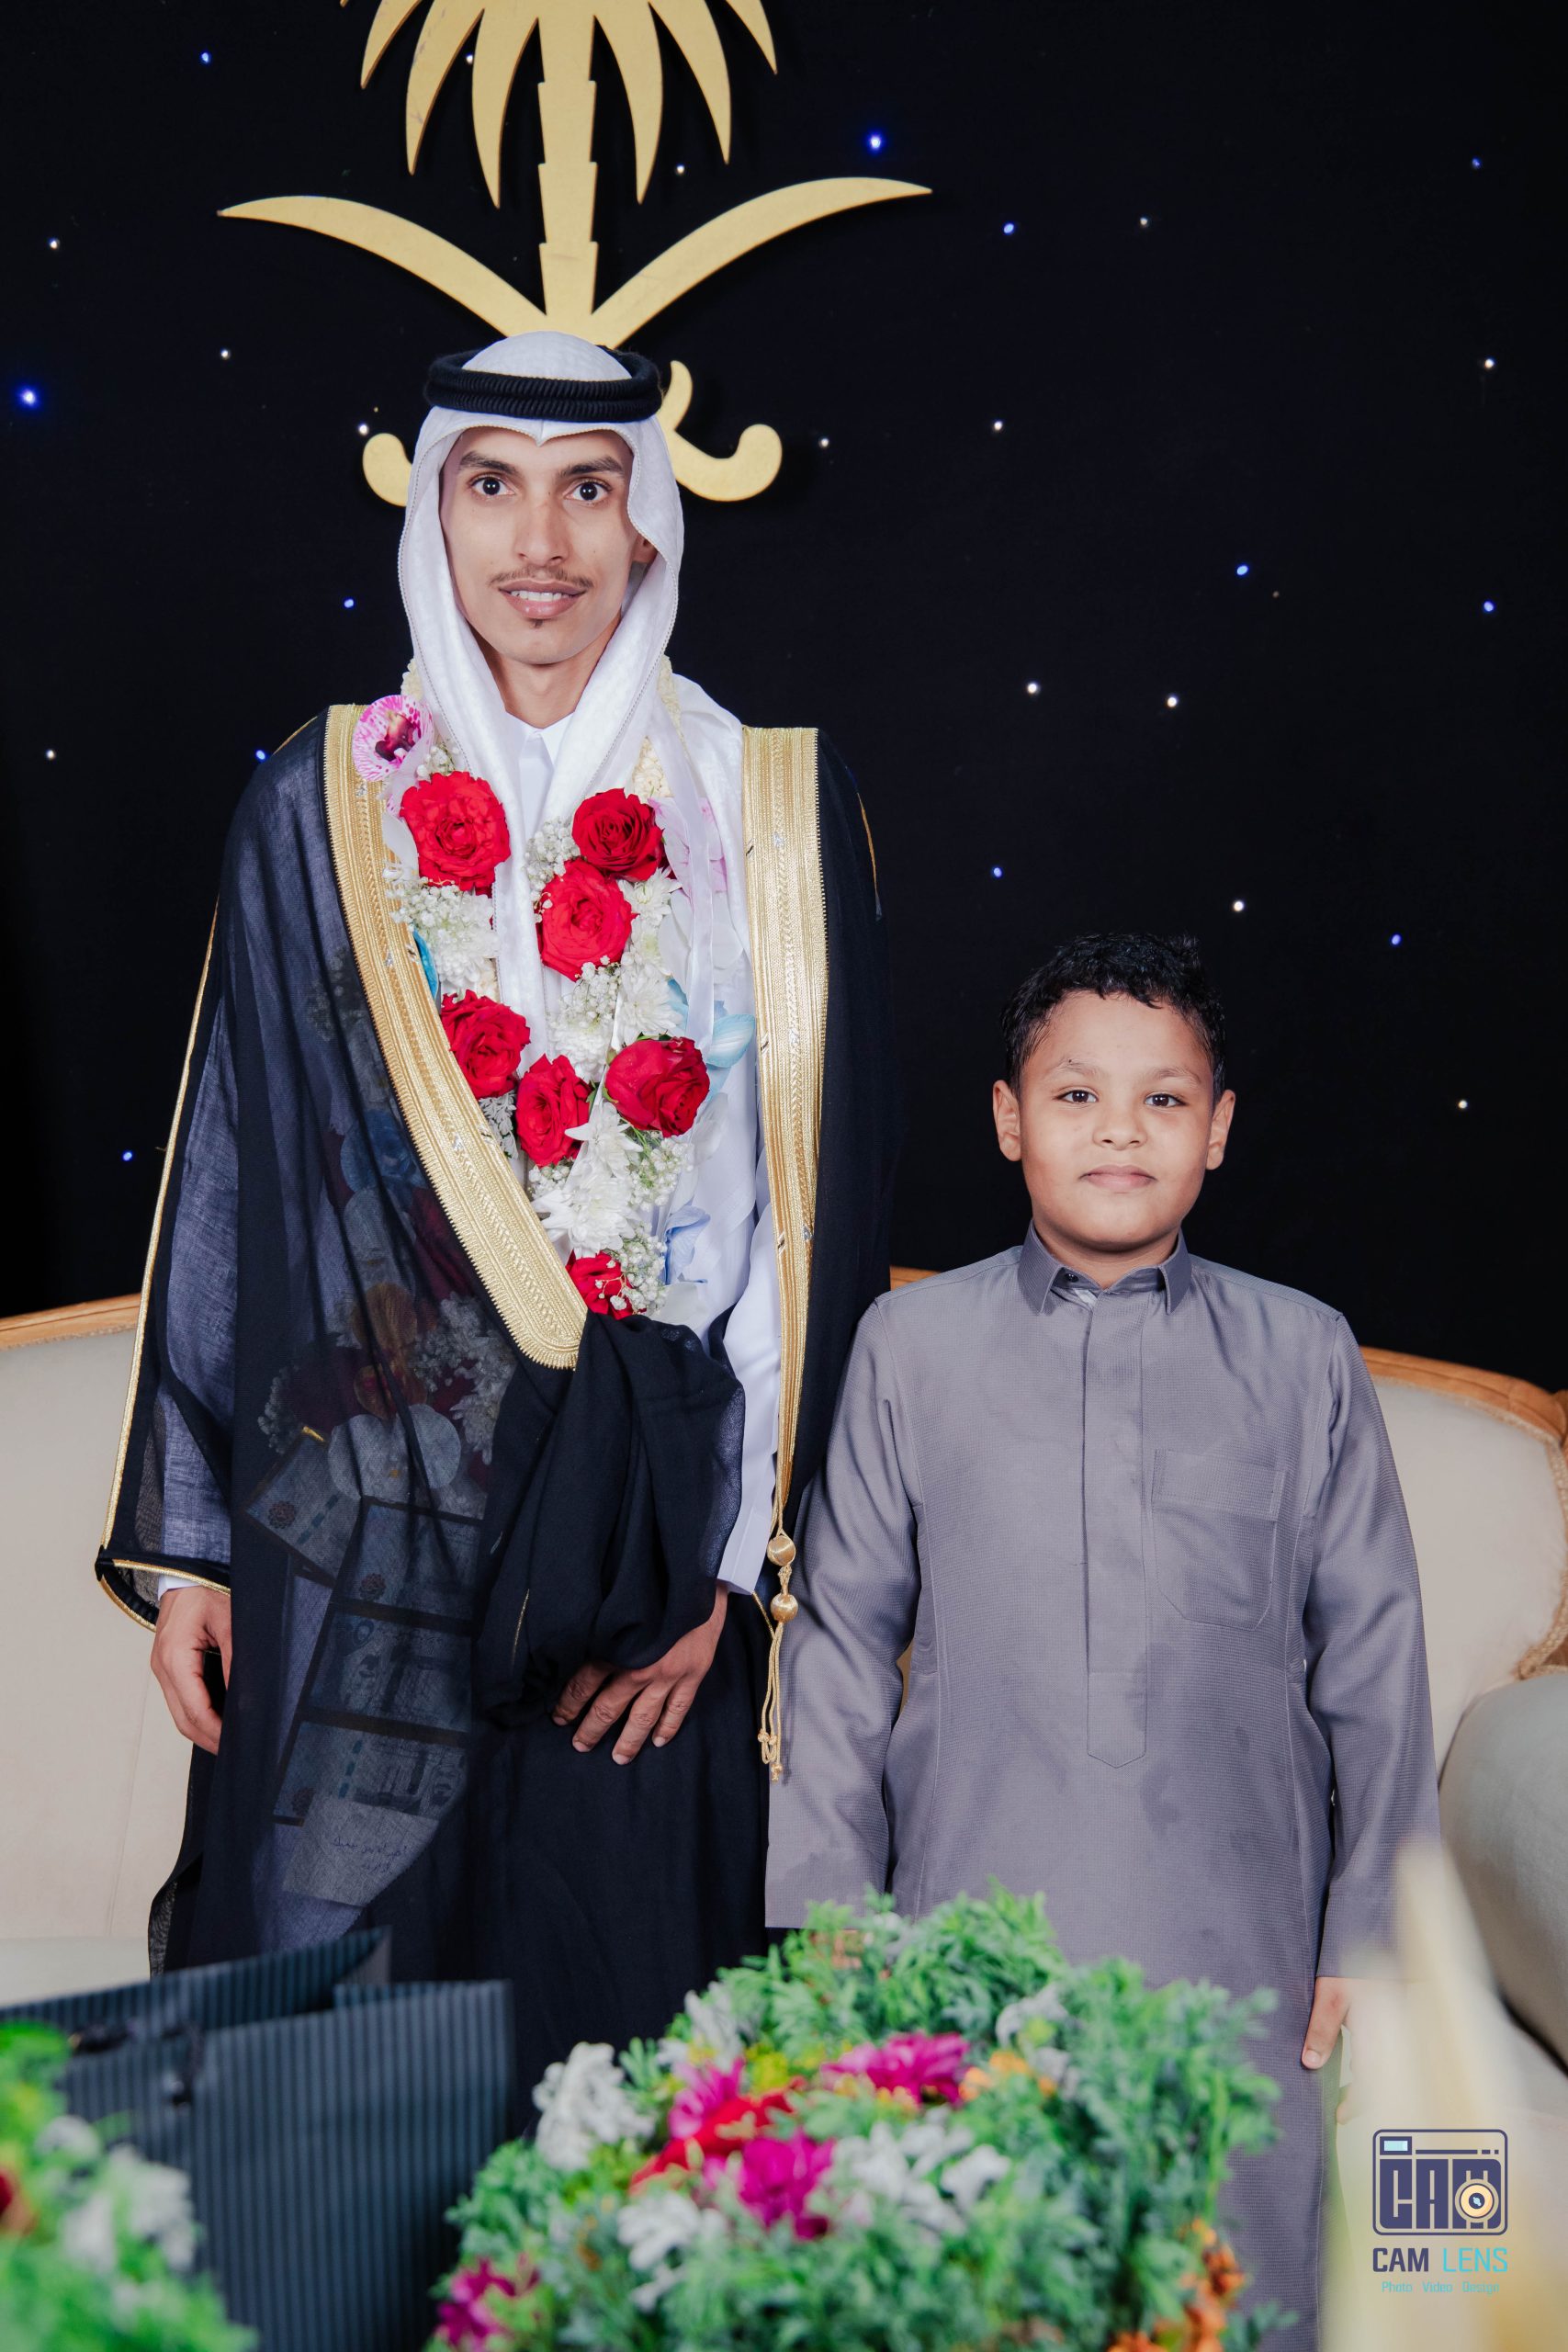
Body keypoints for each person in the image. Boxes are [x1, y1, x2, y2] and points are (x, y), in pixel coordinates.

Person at [97, 332, 898, 2098]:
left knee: (639, 2040)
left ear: (647, 521)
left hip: (650, 1523)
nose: (541, 542)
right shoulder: (319, 803)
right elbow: (233, 1169)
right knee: (356, 2061)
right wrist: (201, 1554)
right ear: (435, 514)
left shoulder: (763, 806)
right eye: (493, 486)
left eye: (587, 488)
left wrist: (727, 1562)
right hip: (364, 1522)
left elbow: (809, 1217)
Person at [766, 931, 1438, 2349]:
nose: (1120, 1130)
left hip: (1242, 1933)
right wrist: (832, 1930)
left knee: (1234, 2276)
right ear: (1009, 1120)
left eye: (1164, 1099)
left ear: (1219, 1129)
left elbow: (1377, 1660)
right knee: (987, 2276)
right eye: (1076, 1095)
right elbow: (837, 1646)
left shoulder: (1305, 1354)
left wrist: (1373, 1926)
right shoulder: (909, 1347)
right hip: (971, 1924)